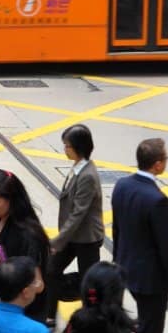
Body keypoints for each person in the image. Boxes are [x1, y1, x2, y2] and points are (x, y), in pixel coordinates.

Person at [108, 137, 168, 333]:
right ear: (158, 164)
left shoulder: (121, 185)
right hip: (150, 280)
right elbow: (165, 245)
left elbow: (117, 228)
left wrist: (117, 260)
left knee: (143, 323)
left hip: (126, 267)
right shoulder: (158, 200)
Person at [0, 169, 56, 327]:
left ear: (11, 199)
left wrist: (0, 270)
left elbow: (38, 285)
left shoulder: (28, 235)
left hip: (24, 317)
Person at [50, 124, 104, 302]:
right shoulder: (77, 167)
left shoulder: (87, 175)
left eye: (68, 146)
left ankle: (91, 318)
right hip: (72, 235)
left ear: (79, 148)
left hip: (86, 238)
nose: (65, 149)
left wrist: (57, 241)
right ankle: (49, 315)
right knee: (50, 271)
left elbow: (78, 213)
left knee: (91, 285)